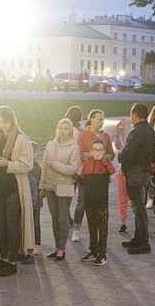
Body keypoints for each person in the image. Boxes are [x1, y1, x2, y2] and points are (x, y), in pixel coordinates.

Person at [0, 107, 34, 277]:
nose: (2, 125)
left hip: (14, 188)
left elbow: (28, 165)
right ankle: (3, 257)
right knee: (0, 224)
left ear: (12, 120)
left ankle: (12, 261)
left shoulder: (21, 139)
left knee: (13, 224)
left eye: (5, 121)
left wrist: (7, 164)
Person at [40, 119, 81, 261]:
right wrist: (42, 186)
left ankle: (62, 249)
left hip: (65, 186)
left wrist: (55, 164)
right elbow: (44, 166)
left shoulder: (74, 147)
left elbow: (72, 169)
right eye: (60, 128)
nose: (62, 131)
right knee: (54, 217)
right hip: (50, 186)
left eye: (65, 128)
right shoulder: (50, 144)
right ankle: (56, 247)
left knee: (63, 218)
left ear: (70, 130)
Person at [118, 103, 155, 254]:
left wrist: (121, 156)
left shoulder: (136, 133)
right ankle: (138, 237)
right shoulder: (151, 131)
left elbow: (127, 154)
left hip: (135, 173)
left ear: (135, 115)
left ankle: (143, 241)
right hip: (145, 171)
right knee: (139, 206)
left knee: (138, 207)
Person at [73, 110, 115, 242]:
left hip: (101, 177)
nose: (102, 122)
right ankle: (77, 229)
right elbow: (79, 154)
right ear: (91, 119)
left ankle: (98, 232)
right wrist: (92, 155)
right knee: (82, 202)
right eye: (99, 119)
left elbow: (111, 154)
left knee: (100, 206)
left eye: (103, 119)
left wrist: (103, 156)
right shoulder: (83, 135)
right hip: (86, 176)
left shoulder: (105, 137)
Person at [80, 140, 116, 265]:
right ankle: (93, 251)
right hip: (89, 200)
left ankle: (102, 254)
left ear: (104, 151)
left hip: (102, 201)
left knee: (102, 226)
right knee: (92, 225)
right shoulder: (87, 164)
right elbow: (82, 179)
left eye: (100, 150)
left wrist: (104, 160)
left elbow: (112, 171)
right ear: (90, 151)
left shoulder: (105, 164)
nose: (97, 152)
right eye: (95, 149)